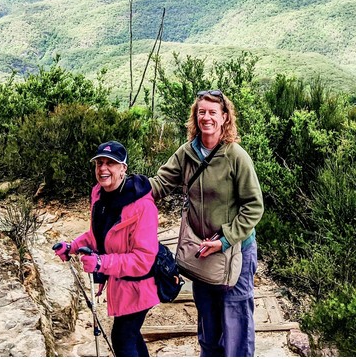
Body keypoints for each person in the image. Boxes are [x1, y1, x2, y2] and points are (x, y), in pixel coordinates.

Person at [149, 90, 264, 357]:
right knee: (208, 323)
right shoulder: (187, 153)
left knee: (236, 320)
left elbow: (254, 206)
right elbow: (160, 184)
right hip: (202, 251)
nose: (206, 117)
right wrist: (125, 188)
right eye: (202, 112)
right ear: (195, 116)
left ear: (225, 117)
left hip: (235, 251)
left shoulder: (236, 156)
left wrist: (223, 240)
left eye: (213, 112)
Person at [54, 140, 159, 357]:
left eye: (110, 163)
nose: (103, 169)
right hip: (120, 284)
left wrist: (102, 263)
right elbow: (97, 236)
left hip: (140, 285)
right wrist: (72, 247)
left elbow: (143, 259)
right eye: (99, 163)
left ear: (123, 168)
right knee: (130, 334)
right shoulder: (100, 196)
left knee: (122, 337)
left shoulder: (143, 205)